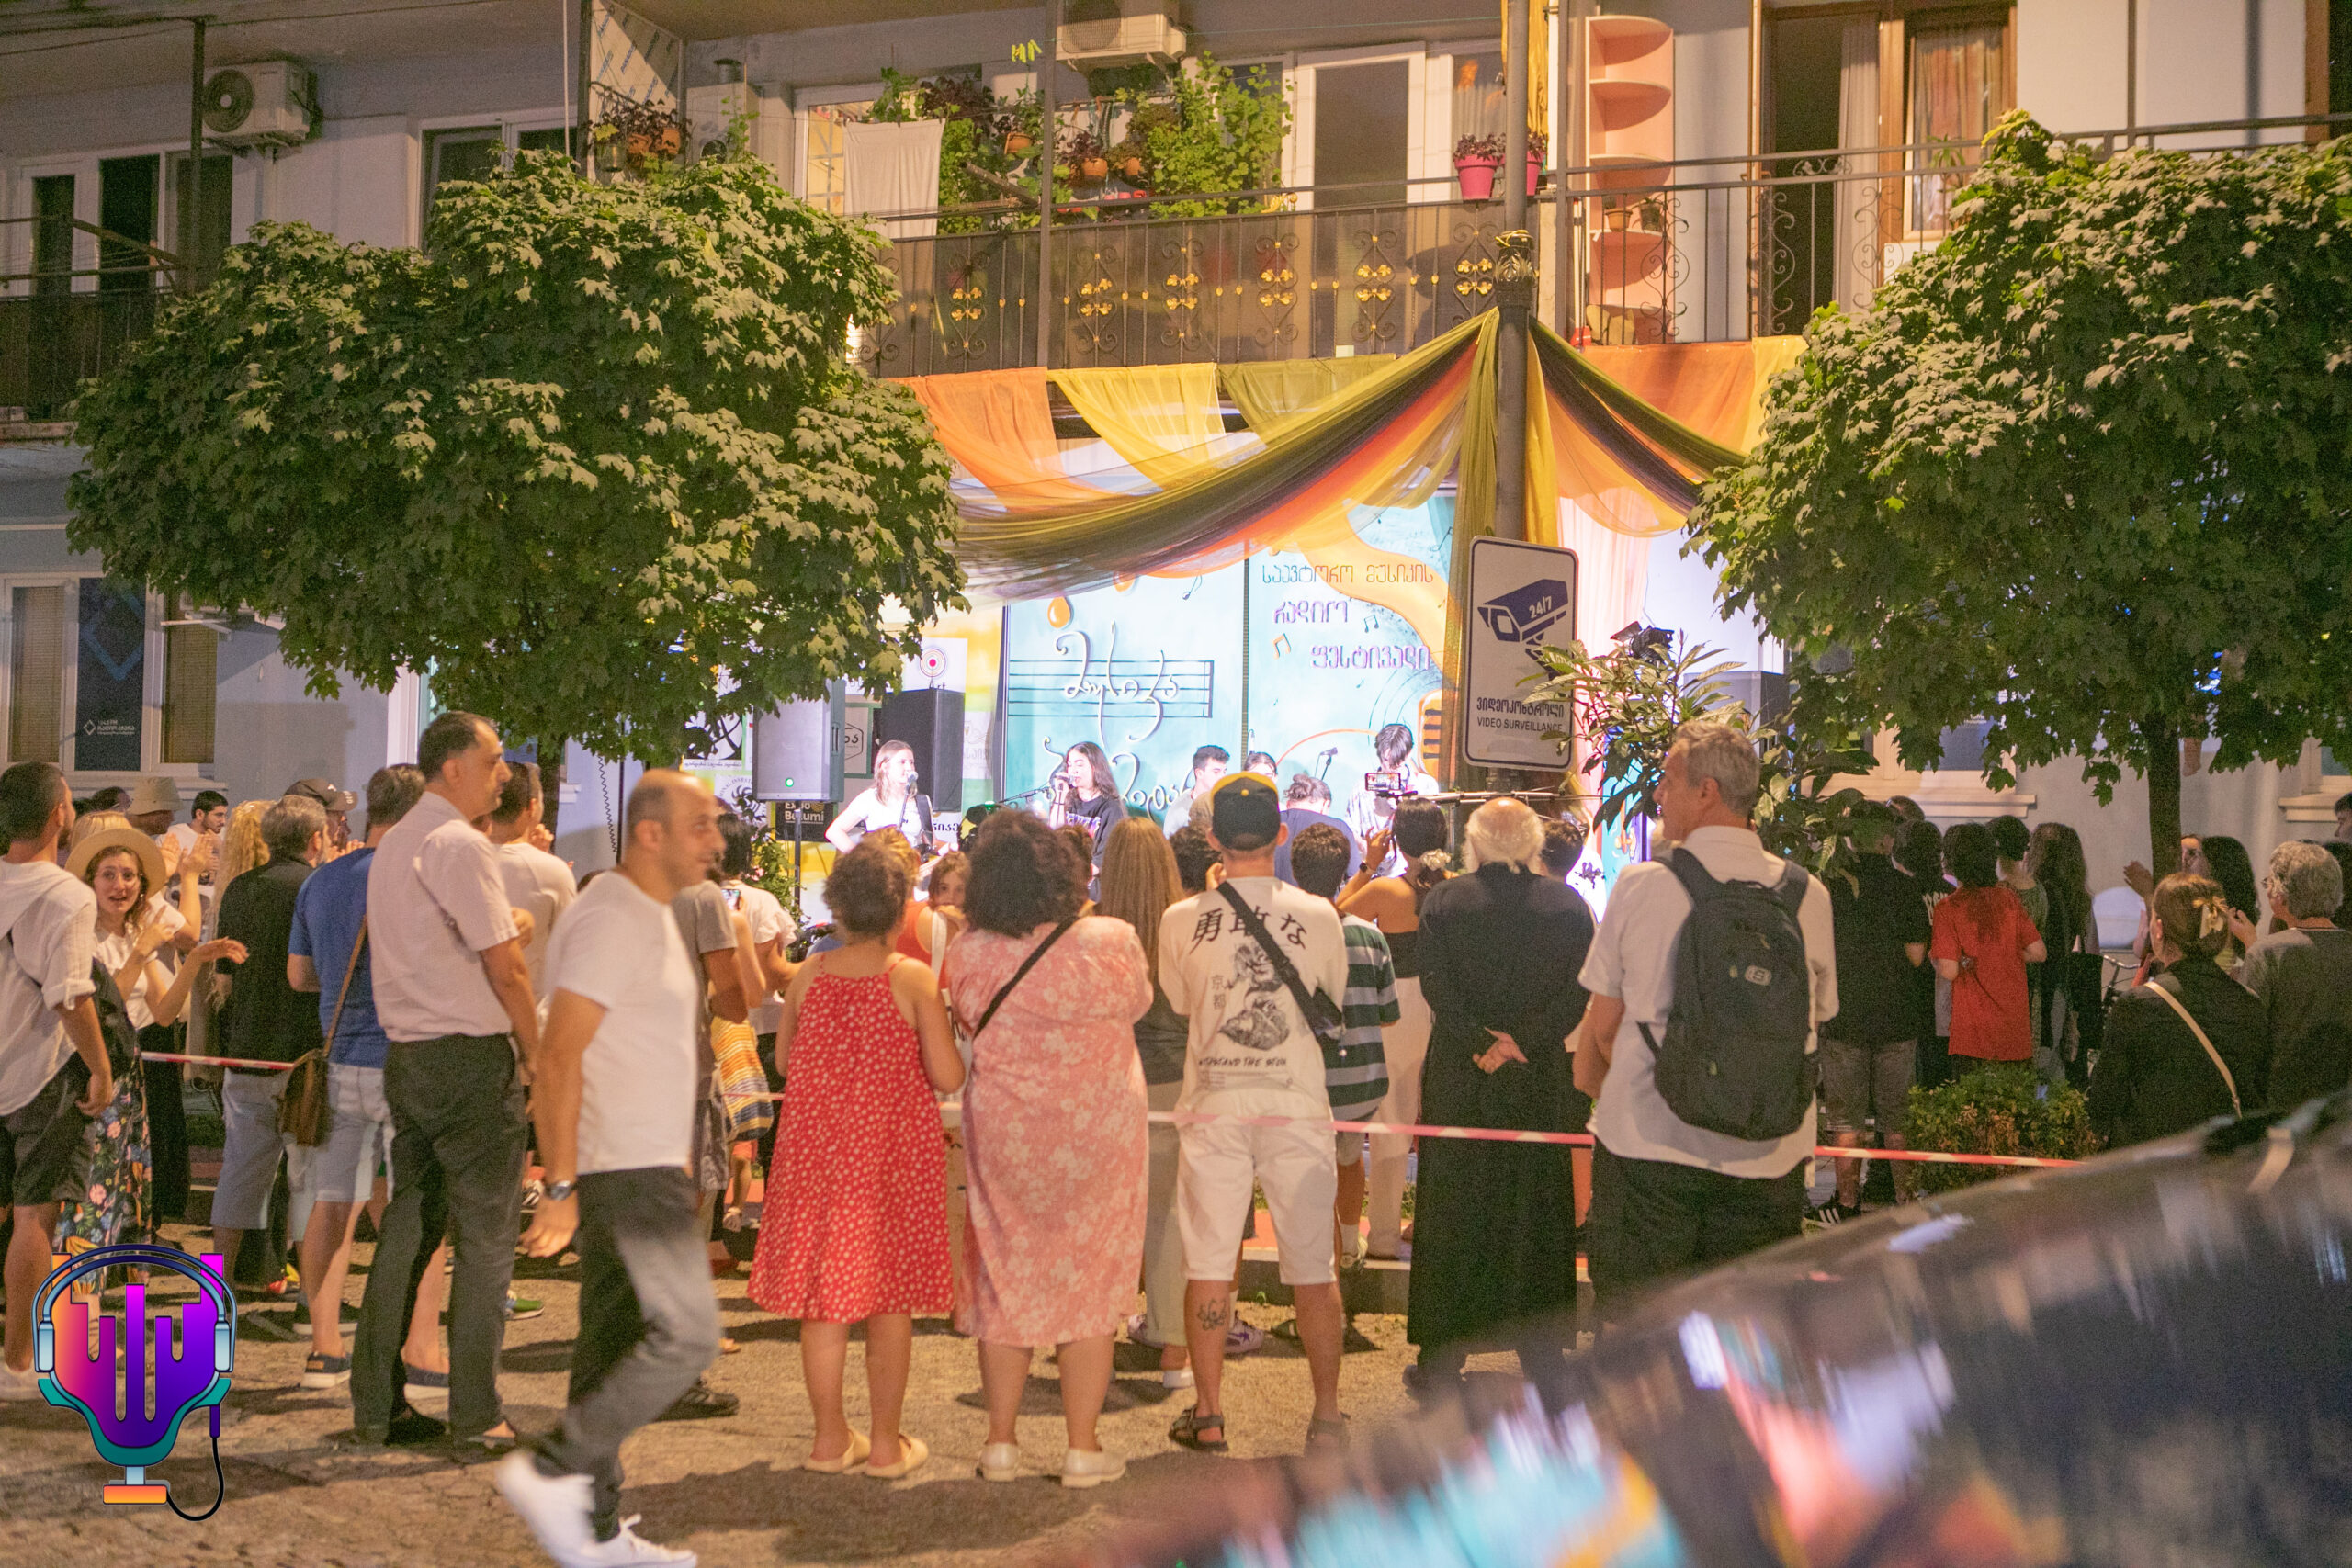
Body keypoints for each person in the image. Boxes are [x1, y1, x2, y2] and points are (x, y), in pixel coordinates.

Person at [494, 771, 725, 1568]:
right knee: (688, 1335)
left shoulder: (650, 913)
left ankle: (593, 1528)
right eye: (700, 824)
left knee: (611, 1339)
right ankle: (554, 1470)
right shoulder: (612, 915)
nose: (716, 839)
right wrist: (559, 1183)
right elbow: (559, 1056)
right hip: (622, 1164)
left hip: (644, 1158)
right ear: (651, 832)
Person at [1575, 722, 1837, 1320]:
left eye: (1668, 780)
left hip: (1650, 1152)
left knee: (1638, 1338)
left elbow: (1602, 1029)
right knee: (1747, 1338)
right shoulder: (1808, 895)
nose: (1657, 794)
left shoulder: (1643, 885)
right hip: (1768, 1158)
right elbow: (1815, 1021)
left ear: (1706, 791)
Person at [350, 711, 541, 1452]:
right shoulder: (459, 843)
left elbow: (445, 944)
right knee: (488, 1238)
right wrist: (537, 1052)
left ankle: (376, 1402)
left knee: (409, 1225)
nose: (503, 774)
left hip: (410, 1055)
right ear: (455, 766)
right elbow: (505, 966)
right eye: (494, 761)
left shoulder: (397, 842)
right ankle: (477, 1412)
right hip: (469, 1058)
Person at [945, 810, 1151, 1488]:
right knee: (1091, 1277)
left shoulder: (969, 950)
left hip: (1006, 1131)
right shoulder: (1112, 940)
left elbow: (968, 1017)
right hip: (1099, 1132)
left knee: (1004, 1270)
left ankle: (1000, 1443)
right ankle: (1081, 1447)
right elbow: (1140, 1004)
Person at [748, 838, 962, 1478]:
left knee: (825, 1303)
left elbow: (786, 1061)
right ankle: (887, 1445)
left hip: (816, 1157)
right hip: (890, 1160)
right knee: (889, 1302)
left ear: (837, 907)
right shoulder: (910, 978)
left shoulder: (810, 976)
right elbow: (947, 1073)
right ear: (901, 909)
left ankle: (828, 1440)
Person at [1158, 773, 1349, 1454]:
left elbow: (1182, 1003)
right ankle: (1326, 1416)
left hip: (1214, 1102)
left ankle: (1209, 1413)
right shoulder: (1320, 915)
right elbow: (1331, 994)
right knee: (1313, 1266)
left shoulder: (1181, 919)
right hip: (1295, 1103)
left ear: (1212, 838)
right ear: (1281, 834)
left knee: (1209, 1261)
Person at [1406, 799, 1591, 1390]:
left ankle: (1443, 1352)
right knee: (1537, 1203)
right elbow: (1578, 992)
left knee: (1454, 1202)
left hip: (1462, 1074)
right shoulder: (1568, 906)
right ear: (1534, 844)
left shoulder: (1443, 902)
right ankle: (1542, 1350)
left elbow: (1435, 985)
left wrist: (1480, 1043)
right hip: (1537, 1074)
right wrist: (1523, 1042)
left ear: (1475, 843)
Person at [286, 765, 425, 1391]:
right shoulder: (416, 875)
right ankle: (414, 1345)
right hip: (405, 1059)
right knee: (412, 1206)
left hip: (341, 1056)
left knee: (331, 1202)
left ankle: (324, 1348)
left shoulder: (322, 880)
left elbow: (299, 975)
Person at [59, 823, 235, 1258]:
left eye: (129, 876)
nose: (120, 886)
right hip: (88, 1070)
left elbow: (163, 1012)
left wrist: (194, 961)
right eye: (109, 875)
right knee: (87, 1192)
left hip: (128, 1076)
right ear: (91, 881)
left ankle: (112, 1281)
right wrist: (141, 953)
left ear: (142, 885)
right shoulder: (82, 935)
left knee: (121, 1186)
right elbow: (101, 1009)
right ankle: (74, 1286)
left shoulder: (138, 932)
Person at [0, 763, 114, 1400]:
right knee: (33, 1218)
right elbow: (71, 994)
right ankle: (17, 1361)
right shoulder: (66, 894)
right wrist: (100, 1066)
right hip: (39, 1075)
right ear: (57, 816)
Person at [211, 795, 330, 1328]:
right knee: (309, 1176)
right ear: (315, 838)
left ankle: (216, 1292)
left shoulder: (239, 888)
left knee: (239, 1172)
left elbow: (227, 976)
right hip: (304, 1054)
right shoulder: (317, 886)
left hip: (247, 1046)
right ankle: (312, 1298)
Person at [1095, 818, 1196, 1389]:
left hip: (1107, 1086)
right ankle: (1174, 1351)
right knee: (1169, 1216)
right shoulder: (1187, 926)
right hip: (1174, 1082)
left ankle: (1093, 1344)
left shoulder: (1093, 930)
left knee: (1103, 1217)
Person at [1340, 800, 1451, 1261]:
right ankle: (1433, 1223)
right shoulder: (1456, 888)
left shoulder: (1386, 890)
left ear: (1398, 842)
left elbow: (1334, 914)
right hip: (1449, 1005)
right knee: (1442, 1118)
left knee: (1392, 1119)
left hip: (1400, 1007)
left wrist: (1368, 864)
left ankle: (1384, 1234)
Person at [2088, 874, 2268, 1147]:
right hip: (2222, 1158)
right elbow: (2258, 1097)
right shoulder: (2249, 1004)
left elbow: (2104, 1099)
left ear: (2159, 929)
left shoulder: (2138, 1005)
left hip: (2153, 1157)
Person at [1288, 822, 1396, 1276]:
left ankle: (1317, 1259)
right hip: (1359, 1084)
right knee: (1350, 1161)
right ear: (1343, 872)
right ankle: (1349, 1247)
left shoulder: (1287, 935)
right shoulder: (1369, 937)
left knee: (1306, 1174)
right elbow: (1387, 1014)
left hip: (1305, 1083)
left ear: (1295, 872)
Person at [1816, 806, 1929, 1219]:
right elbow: (1916, 955)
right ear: (1886, 840)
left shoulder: (1830, 886)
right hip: (1896, 1016)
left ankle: (1847, 1204)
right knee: (1897, 1117)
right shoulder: (1905, 888)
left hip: (1843, 1016)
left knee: (1845, 1120)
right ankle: (1906, 1200)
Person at [2239, 840, 2352, 1109]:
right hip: (2342, 1101)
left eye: (2269, 882)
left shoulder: (2267, 953)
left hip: (2281, 1100)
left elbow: (2246, 1035)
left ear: (2282, 894)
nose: (2267, 889)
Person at [1930, 823, 2046, 1069]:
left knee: (1972, 1094)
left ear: (1950, 862)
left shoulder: (1948, 908)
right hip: (2014, 1032)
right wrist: (2001, 953)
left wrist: (1942, 958)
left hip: (1972, 1034)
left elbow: (1949, 970)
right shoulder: (2008, 899)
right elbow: (2038, 952)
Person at [490, 761, 578, 998]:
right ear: (532, 806)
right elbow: (570, 952)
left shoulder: (461, 858)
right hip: (531, 1007)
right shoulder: (552, 871)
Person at [1343, 723, 1441, 874]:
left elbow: (1432, 832)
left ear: (1408, 754)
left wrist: (1404, 808)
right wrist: (1364, 845)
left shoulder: (1425, 785)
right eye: (1385, 760)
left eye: (1396, 763)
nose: (1389, 767)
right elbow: (1349, 828)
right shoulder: (1362, 788)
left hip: (1412, 872)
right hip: (1371, 872)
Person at [826, 739, 929, 853]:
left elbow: (931, 842)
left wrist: (945, 850)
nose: (909, 768)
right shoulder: (869, 798)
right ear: (885, 767)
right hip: (880, 863)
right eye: (902, 762)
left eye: (912, 762)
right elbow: (834, 832)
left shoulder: (922, 802)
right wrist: (861, 858)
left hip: (912, 862)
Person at [1045, 740, 1120, 885]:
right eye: (1070, 765)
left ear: (1095, 768)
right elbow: (1053, 835)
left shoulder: (1110, 808)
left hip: (1090, 885)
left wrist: (1073, 876)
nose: (1073, 770)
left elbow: (1104, 859)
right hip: (1063, 882)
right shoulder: (1067, 800)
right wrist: (1060, 796)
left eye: (1079, 765)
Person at [1272, 773, 1360, 887]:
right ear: (1325, 804)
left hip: (1267, 898)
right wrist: (1369, 866)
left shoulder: (1267, 822)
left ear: (1289, 803)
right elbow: (1355, 880)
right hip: (1318, 899)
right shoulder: (1339, 828)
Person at [1164, 745, 1230, 840]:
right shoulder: (1180, 810)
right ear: (1199, 773)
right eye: (1216, 772)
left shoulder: (1229, 803)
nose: (1222, 777)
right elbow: (1169, 845)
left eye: (1224, 771)